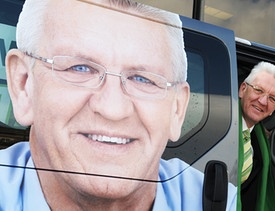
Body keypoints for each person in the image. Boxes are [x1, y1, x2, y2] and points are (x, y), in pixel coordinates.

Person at [0, 0, 237, 210]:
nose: (113, 110)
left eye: (143, 79)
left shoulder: (223, 202)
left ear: (177, 109)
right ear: (23, 84)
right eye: (80, 68)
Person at [237, 61, 275, 211]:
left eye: (272, 98)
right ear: (242, 89)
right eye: (258, 90)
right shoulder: (220, 127)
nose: (262, 101)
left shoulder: (259, 142)